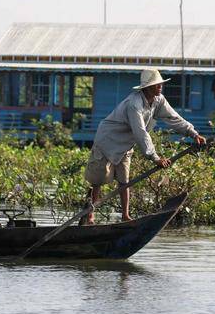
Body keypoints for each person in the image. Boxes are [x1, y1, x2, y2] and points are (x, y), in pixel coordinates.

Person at [83, 69, 207, 224]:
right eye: (156, 84)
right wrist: (154, 157)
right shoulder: (134, 104)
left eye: (160, 83)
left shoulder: (158, 100)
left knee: (124, 181)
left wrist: (193, 133)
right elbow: (140, 132)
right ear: (147, 87)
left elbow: (173, 117)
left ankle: (125, 216)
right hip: (108, 140)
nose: (160, 86)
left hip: (126, 145)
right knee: (98, 181)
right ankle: (89, 216)